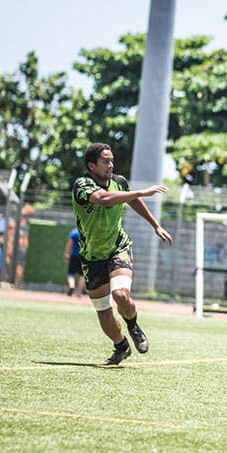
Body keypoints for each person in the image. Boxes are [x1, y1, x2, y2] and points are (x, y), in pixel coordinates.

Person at [72, 142, 173, 366]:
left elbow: (131, 199)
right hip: (91, 257)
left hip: (118, 247)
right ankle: (121, 346)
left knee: (120, 295)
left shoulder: (119, 182)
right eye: (105, 161)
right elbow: (103, 199)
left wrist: (155, 224)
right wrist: (141, 192)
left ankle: (134, 326)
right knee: (104, 312)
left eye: (112, 160)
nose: (111, 165)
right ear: (92, 165)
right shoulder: (82, 185)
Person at [63, 227, 85, 296]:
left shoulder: (74, 232)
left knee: (71, 273)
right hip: (84, 256)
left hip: (74, 255)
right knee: (82, 275)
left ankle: (71, 285)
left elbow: (70, 243)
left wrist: (66, 253)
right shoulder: (86, 232)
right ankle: (79, 292)